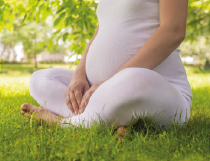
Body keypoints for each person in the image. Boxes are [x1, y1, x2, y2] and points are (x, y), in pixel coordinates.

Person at [20, 0, 192, 135]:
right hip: (100, 89)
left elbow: (173, 30)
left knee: (134, 81)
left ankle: (64, 123)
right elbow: (99, 34)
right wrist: (78, 75)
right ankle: (111, 118)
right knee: (40, 79)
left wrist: (112, 80)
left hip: (157, 89)